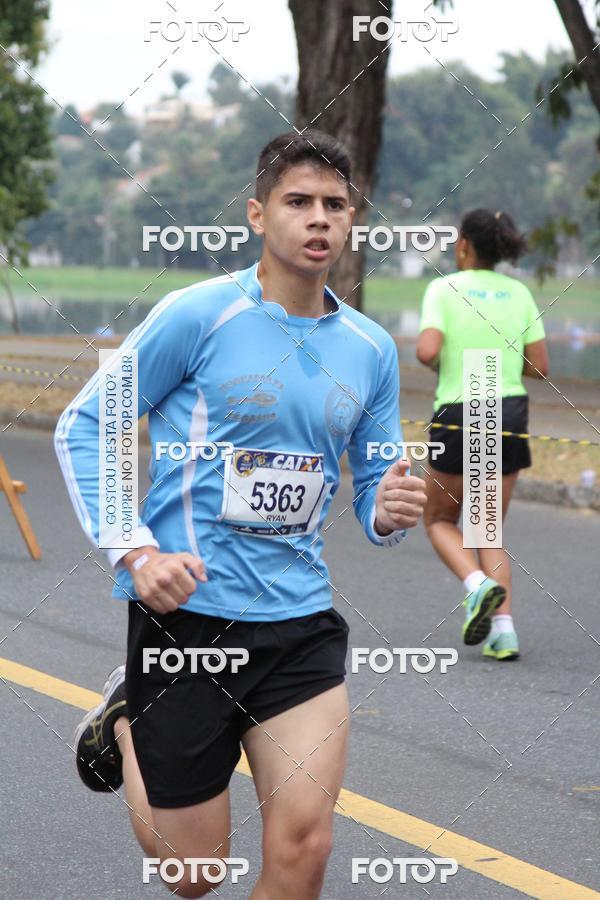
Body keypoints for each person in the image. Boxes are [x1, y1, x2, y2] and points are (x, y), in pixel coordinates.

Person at [54, 129, 427, 899]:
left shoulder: (369, 348)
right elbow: (88, 423)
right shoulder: (198, 315)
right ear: (258, 214)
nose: (318, 218)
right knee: (195, 875)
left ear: (352, 218)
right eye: (298, 202)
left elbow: (375, 489)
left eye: (334, 204)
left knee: (305, 848)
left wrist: (389, 510)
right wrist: (134, 551)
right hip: (188, 620)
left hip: (300, 626)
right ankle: (128, 719)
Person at [416, 208, 549, 662]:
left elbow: (427, 349)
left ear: (463, 246)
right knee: (486, 527)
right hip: (508, 411)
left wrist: (446, 360)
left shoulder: (443, 288)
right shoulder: (520, 292)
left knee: (438, 520)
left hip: (459, 411)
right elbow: (539, 367)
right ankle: (505, 632)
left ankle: (477, 586)